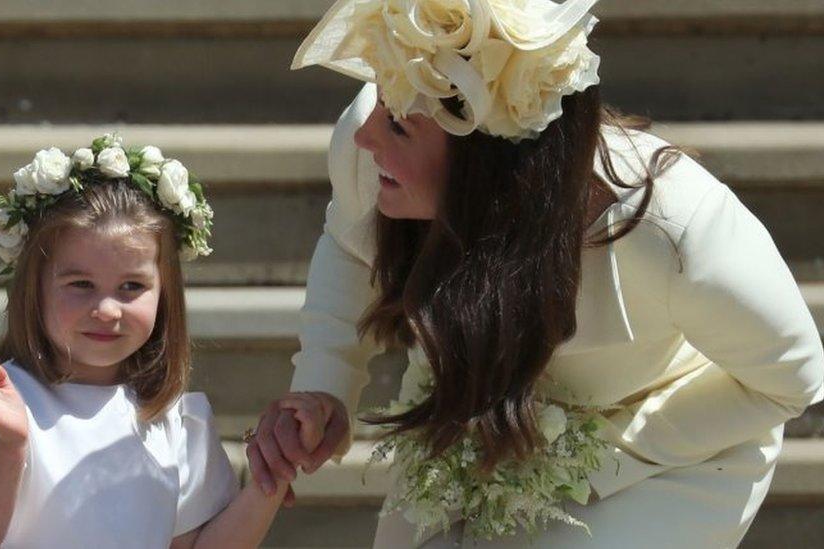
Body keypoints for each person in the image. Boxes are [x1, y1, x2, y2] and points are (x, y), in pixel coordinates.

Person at [247, 0, 824, 547]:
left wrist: (593, 454)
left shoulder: (673, 229)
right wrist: (324, 385)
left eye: (398, 126)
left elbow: (793, 380)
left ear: (489, 163)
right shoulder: (370, 153)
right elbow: (351, 247)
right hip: (482, 408)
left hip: (670, 454)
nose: (367, 136)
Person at [0, 135, 322, 548]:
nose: (107, 309)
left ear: (165, 294)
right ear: (33, 287)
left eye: (131, 286)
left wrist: (272, 476)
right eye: (81, 284)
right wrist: (9, 445)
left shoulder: (177, 419)